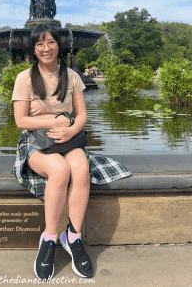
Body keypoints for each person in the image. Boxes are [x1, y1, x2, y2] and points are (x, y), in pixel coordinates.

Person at [12, 24, 132, 281]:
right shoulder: (24, 78)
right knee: (60, 170)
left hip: (68, 140)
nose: (46, 48)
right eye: (40, 44)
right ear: (34, 49)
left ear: (59, 45)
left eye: (51, 42)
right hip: (37, 143)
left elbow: (82, 115)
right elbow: (21, 121)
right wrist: (53, 123)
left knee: (81, 168)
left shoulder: (72, 76)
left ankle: (73, 236)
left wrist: (69, 131)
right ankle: (50, 238)